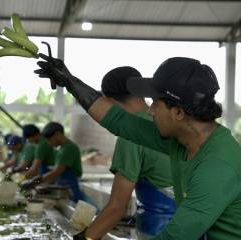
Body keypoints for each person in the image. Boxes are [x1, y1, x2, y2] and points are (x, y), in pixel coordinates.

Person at [35, 55, 241, 240]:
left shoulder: (217, 167)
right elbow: (120, 121)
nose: (150, 111)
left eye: (155, 103)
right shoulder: (181, 139)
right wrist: (70, 81)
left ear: (178, 112)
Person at [81, 66, 175, 240]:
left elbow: (117, 207)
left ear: (108, 102)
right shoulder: (169, 127)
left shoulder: (131, 137)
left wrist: (85, 237)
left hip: (158, 232)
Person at [21, 122, 88, 203]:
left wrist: (35, 181)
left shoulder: (69, 148)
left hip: (71, 188)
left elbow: (56, 172)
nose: (49, 143)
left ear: (58, 134)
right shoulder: (61, 149)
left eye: (49, 140)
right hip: (63, 187)